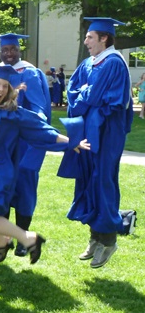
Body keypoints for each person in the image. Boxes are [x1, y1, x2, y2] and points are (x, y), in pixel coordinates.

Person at [0, 33, 89, 265]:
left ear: (11, 91)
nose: (0, 90)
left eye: (5, 87)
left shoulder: (14, 115)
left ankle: (28, 238)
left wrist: (71, 142)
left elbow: (42, 130)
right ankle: (2, 240)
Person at [58, 17, 133, 268]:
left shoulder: (114, 63)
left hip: (107, 132)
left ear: (104, 38)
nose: (86, 41)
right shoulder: (88, 63)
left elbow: (101, 97)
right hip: (88, 130)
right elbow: (73, 93)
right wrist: (88, 94)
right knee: (87, 179)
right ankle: (95, 238)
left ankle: (109, 240)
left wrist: (87, 94)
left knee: (102, 180)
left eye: (90, 37)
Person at [0, 33, 51, 257]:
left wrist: (37, 121)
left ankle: (23, 238)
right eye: (5, 50)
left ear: (19, 50)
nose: (9, 53)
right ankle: (0, 238)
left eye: (13, 49)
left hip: (22, 142)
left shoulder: (28, 72)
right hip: (0, 142)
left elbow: (39, 105)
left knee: (24, 189)